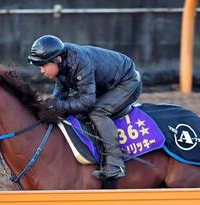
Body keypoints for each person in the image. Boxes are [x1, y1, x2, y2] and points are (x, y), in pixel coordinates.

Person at [28, 35, 142, 180]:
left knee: (97, 113)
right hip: (106, 83)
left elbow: (87, 102)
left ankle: (115, 164)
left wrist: (57, 105)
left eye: (43, 65)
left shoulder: (79, 62)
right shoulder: (61, 59)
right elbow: (60, 94)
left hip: (127, 82)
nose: (42, 71)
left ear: (57, 60)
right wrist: (48, 107)